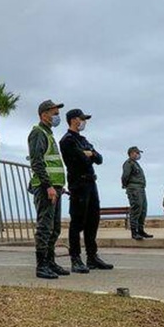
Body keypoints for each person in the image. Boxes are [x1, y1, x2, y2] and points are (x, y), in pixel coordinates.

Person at [59, 108, 113, 273]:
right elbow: (81, 159)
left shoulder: (83, 140)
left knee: (93, 221)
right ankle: (75, 258)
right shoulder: (67, 140)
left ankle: (92, 257)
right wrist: (88, 154)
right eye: (82, 119)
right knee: (77, 223)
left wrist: (90, 153)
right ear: (74, 120)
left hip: (91, 184)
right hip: (78, 184)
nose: (84, 122)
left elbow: (99, 158)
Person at [28, 99, 69, 279]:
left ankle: (50, 262)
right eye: (54, 113)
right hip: (46, 188)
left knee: (54, 228)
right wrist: (49, 186)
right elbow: (37, 162)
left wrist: (60, 186)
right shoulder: (38, 133)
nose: (57, 117)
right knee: (45, 227)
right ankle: (41, 265)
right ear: (44, 114)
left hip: (55, 188)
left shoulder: (48, 133)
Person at [121, 146, 153, 240]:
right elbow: (125, 177)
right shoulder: (129, 163)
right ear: (131, 153)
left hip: (141, 189)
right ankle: (134, 232)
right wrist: (128, 186)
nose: (138, 154)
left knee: (143, 209)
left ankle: (141, 230)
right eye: (137, 152)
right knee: (136, 208)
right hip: (134, 189)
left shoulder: (136, 164)